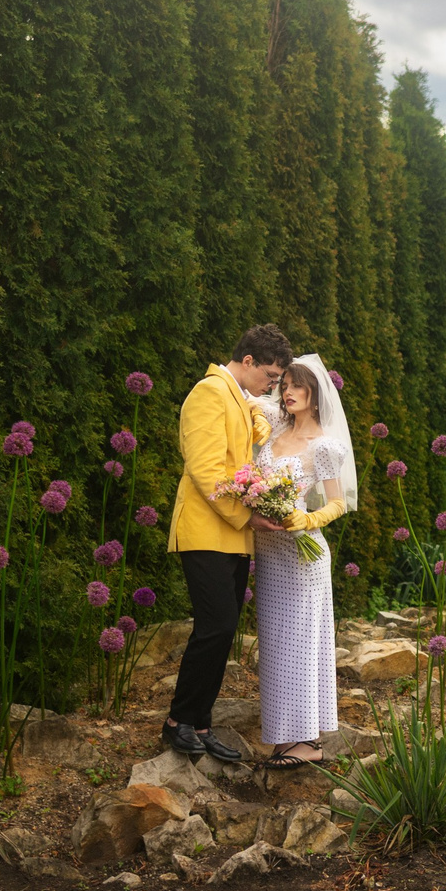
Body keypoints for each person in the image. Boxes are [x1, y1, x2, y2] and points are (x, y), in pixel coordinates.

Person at [164, 324, 296, 762]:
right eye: (271, 377)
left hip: (234, 537)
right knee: (215, 626)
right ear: (248, 361)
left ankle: (200, 725)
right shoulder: (208, 392)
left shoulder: (240, 397)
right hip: (206, 530)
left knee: (223, 632)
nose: (273, 386)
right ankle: (178, 722)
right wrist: (248, 515)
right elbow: (205, 470)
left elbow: (249, 446)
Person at [251, 356, 352, 764]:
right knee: (275, 642)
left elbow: (338, 503)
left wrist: (306, 518)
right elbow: (243, 395)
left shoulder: (324, 445)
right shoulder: (273, 429)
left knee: (300, 642)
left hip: (302, 553)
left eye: (297, 387)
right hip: (269, 551)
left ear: (315, 396)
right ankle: (285, 734)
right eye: (284, 385)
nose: (287, 392)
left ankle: (306, 742)